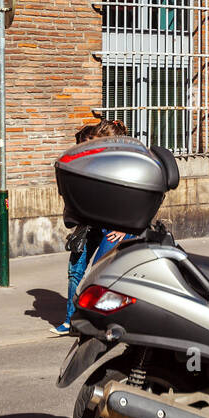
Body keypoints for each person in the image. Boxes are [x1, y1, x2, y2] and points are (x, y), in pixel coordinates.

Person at [53, 118, 129, 335]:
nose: (92, 147)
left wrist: (124, 227)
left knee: (100, 273)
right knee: (75, 269)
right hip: (89, 224)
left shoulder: (122, 164)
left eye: (96, 142)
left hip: (113, 226)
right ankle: (71, 321)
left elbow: (131, 199)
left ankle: (101, 322)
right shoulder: (90, 161)